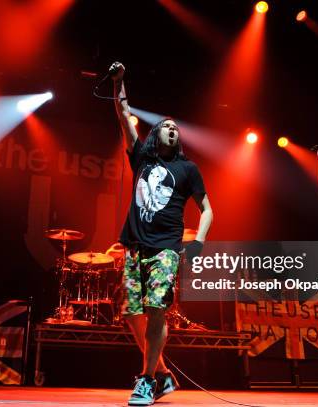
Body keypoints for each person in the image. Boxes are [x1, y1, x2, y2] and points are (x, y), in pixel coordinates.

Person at [110, 62, 213, 406]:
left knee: (156, 310)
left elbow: (208, 209)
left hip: (166, 250)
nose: (172, 129)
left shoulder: (188, 169)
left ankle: (147, 380)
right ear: (156, 134)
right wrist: (119, 82)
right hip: (134, 247)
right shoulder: (141, 158)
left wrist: (198, 240)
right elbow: (124, 115)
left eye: (175, 127)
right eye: (166, 126)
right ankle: (164, 374)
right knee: (130, 311)